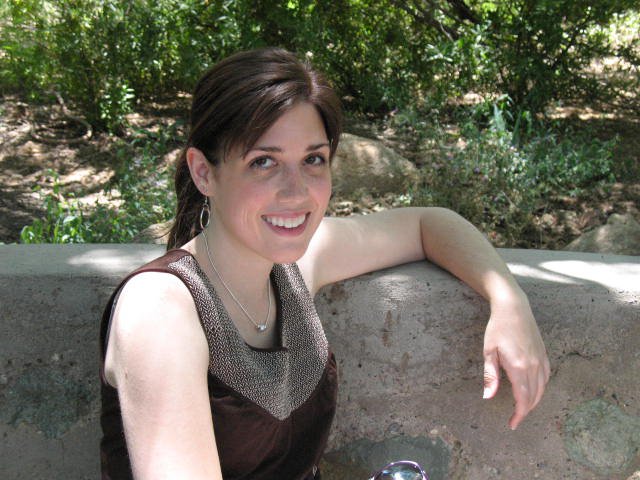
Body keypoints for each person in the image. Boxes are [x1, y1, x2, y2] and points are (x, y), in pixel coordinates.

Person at [99, 47, 550, 480]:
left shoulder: (294, 268)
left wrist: (509, 301)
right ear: (204, 172)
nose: (296, 191)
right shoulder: (161, 311)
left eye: (313, 159)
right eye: (263, 162)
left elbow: (427, 224)